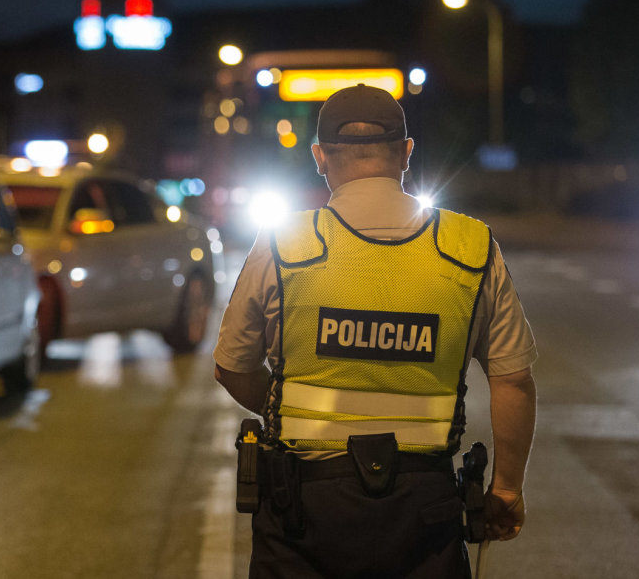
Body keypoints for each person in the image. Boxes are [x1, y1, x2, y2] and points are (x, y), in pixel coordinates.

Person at [213, 84, 537, 578]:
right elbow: (512, 379)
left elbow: (232, 366)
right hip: (424, 510)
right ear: (407, 153)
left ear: (319, 157)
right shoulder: (470, 247)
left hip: (302, 509)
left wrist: (287, 407)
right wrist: (507, 489)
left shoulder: (284, 243)